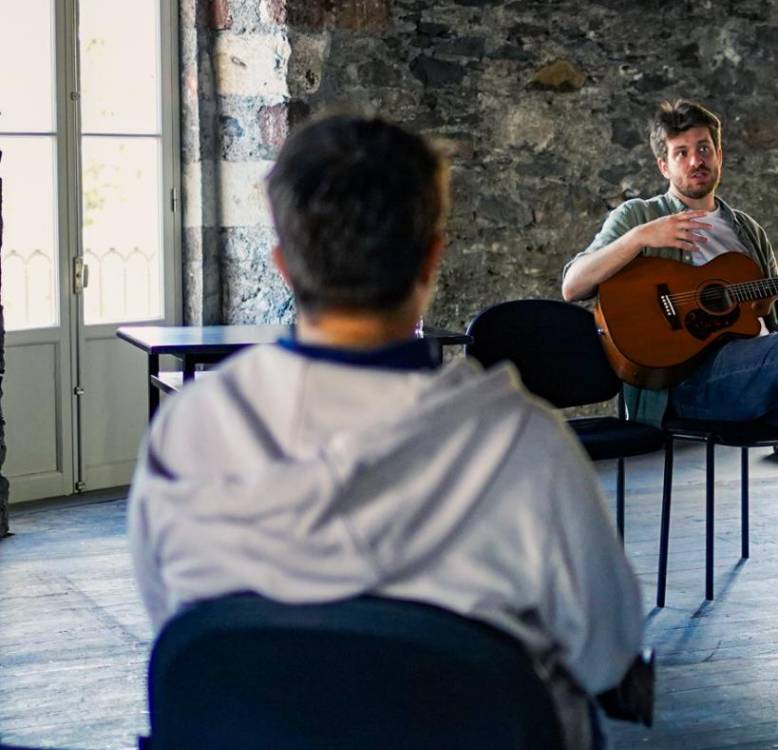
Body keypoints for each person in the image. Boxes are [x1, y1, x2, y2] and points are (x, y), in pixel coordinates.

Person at [126, 115, 642, 749]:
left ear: (284, 266)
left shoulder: (187, 432)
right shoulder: (524, 446)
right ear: (431, 256)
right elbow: (607, 652)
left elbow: (178, 627)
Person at [562, 99, 778, 506]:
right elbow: (573, 285)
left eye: (704, 148)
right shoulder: (640, 216)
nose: (696, 160)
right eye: (682, 153)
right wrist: (639, 239)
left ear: (719, 155)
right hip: (688, 385)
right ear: (664, 166)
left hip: (755, 378)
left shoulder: (746, 230)